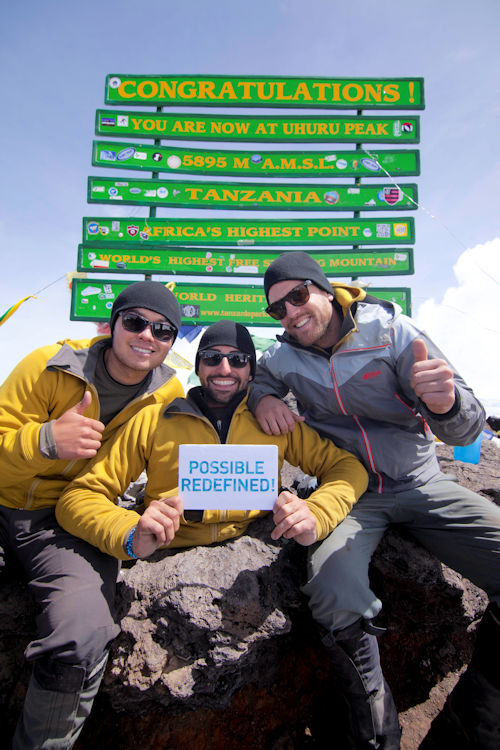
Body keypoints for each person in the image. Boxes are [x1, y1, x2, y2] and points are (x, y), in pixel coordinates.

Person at [247, 251, 500, 749]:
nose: (291, 313)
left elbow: (471, 425)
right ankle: (377, 735)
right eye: (277, 309)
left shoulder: (393, 332)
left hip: (421, 482)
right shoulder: (281, 357)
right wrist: (264, 398)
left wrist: (445, 403)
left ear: (324, 288)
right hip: (353, 494)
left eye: (298, 296)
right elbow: (255, 381)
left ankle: (471, 726)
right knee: (331, 587)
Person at [0, 281, 184, 750]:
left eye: (163, 330)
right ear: (114, 323)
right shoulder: (48, 365)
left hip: (62, 523)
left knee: (82, 633)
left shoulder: (168, 396)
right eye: (136, 322)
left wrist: (141, 528)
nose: (148, 336)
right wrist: (44, 441)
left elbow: (163, 486)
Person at [56, 317, 367, 563]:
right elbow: (79, 498)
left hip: (254, 555)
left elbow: (347, 468)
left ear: (251, 371)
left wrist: (318, 514)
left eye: (238, 359)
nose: (224, 368)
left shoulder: (275, 421)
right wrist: (129, 532)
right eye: (212, 357)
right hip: (165, 558)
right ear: (198, 366)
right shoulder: (153, 420)